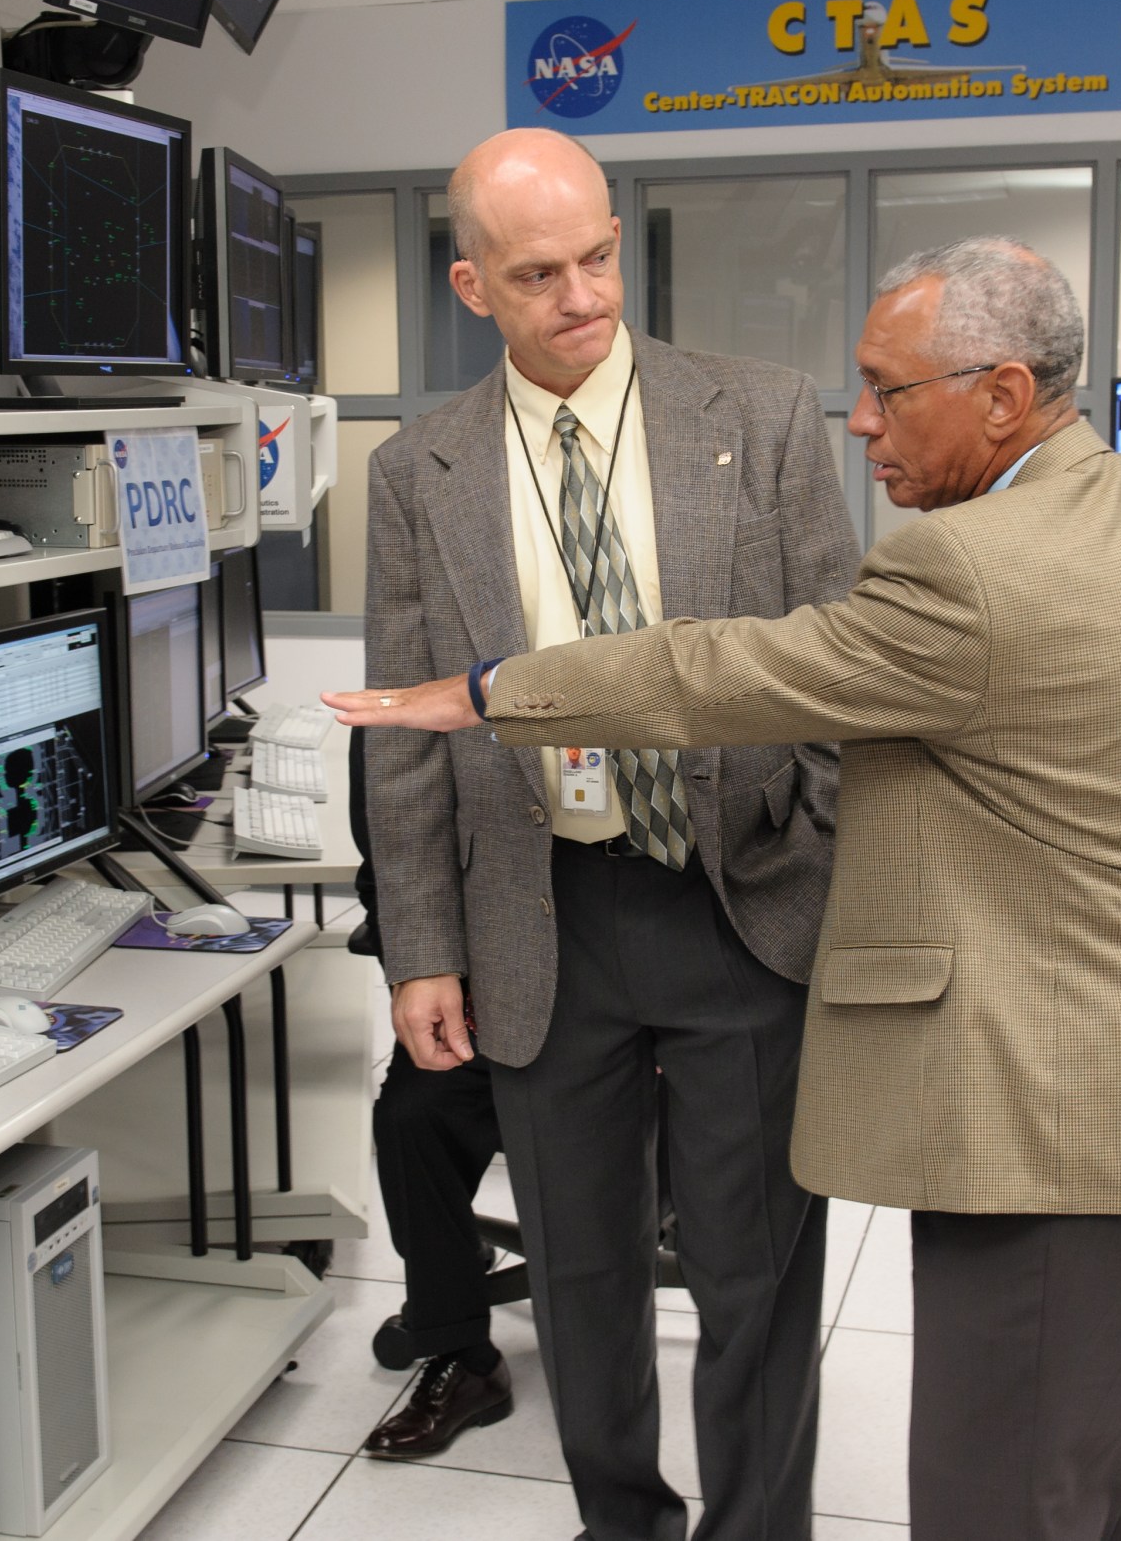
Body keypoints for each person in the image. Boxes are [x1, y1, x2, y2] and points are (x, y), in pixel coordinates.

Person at [328, 237, 1121, 1541]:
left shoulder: (965, 568)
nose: (860, 420)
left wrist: (487, 692)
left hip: (1041, 1109)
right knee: (1096, 1476)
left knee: (1003, 1495)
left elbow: (726, 673)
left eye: (889, 388)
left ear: (999, 396)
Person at [359, 127, 858, 1541]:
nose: (581, 296)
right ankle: (620, 1523)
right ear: (473, 287)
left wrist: (814, 854)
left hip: (738, 901)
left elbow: (839, 662)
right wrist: (422, 950)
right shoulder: (418, 473)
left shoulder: (758, 416)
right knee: (582, 1277)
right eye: (537, 274)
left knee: (755, 1271)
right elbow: (407, 732)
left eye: (596, 257)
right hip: (543, 920)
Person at [345, 726, 513, 1458]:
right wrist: (415, 970)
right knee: (412, 1119)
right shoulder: (413, 691)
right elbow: (389, 859)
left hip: (632, 993)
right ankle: (464, 1355)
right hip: (483, 993)